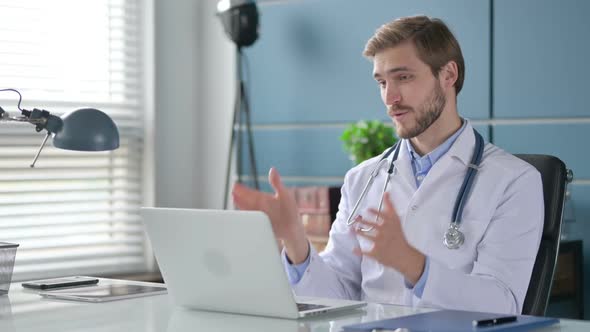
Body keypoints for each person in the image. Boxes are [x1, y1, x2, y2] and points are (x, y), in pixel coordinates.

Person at [232, 15, 543, 315]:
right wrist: (295, 242)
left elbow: (503, 305)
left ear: (449, 75)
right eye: (382, 82)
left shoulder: (514, 182)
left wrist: (415, 266)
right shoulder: (363, 179)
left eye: (403, 77)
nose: (389, 97)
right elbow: (337, 296)